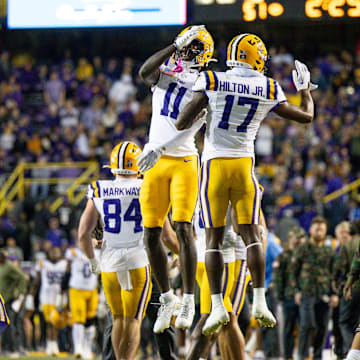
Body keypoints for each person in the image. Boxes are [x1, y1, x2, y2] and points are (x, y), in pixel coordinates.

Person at [168, 33, 316, 334]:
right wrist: (305, 91)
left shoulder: (213, 79)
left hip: (214, 165)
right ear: (257, 57)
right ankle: (260, 300)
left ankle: (217, 305)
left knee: (213, 240)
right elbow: (306, 116)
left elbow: (182, 122)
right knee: (251, 235)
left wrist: (206, 114)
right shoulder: (269, 86)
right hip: (244, 164)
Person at [137, 25, 215, 333]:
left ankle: (188, 299)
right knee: (151, 233)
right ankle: (167, 298)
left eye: (192, 46)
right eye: (186, 45)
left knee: (184, 228)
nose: (187, 50)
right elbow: (144, 71)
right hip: (155, 162)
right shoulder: (167, 70)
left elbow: (190, 125)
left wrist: (161, 148)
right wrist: (173, 45)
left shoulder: (207, 82)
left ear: (203, 52)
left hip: (182, 158)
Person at [78, 141, 152, 360]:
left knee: (118, 319)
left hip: (109, 261)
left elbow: (83, 233)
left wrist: (93, 261)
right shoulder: (146, 186)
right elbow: (163, 231)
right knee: (133, 319)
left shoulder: (99, 188)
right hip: (137, 259)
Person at [290, 216, 338, 360]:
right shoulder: (302, 249)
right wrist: (296, 291)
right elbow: (293, 271)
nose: (319, 232)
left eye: (322, 229)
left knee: (322, 327)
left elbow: (334, 274)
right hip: (306, 293)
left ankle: (317, 356)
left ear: (325, 231)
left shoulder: (329, 251)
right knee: (307, 324)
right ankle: (302, 356)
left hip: (324, 293)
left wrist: (334, 294)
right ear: (310, 230)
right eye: (316, 229)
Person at [273, 227, 306, 360]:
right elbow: (279, 277)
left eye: (300, 238)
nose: (298, 240)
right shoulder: (283, 256)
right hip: (288, 297)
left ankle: (303, 354)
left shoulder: (306, 255)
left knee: (305, 327)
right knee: (288, 329)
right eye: (296, 238)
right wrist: (279, 295)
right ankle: (288, 356)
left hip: (304, 296)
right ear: (290, 239)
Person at [62, 246, 100, 358]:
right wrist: (62, 289)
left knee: (90, 320)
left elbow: (101, 274)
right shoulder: (73, 253)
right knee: (78, 320)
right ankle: (78, 347)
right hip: (76, 289)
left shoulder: (98, 253)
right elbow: (67, 272)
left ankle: (87, 347)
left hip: (92, 290)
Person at [29, 247, 67, 356]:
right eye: (52, 251)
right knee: (49, 323)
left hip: (59, 298)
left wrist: (65, 295)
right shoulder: (42, 264)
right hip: (46, 298)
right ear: (48, 253)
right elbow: (36, 281)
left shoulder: (64, 264)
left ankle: (53, 345)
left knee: (56, 323)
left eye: (56, 251)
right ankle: (51, 346)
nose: (54, 254)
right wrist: (31, 296)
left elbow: (68, 280)